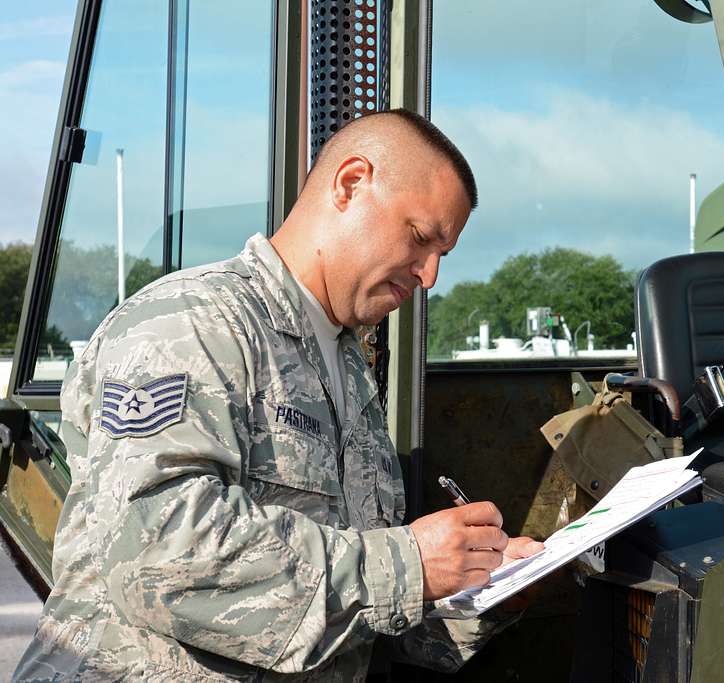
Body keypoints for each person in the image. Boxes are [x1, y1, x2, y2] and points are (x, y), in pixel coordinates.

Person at [14, 109, 543, 681]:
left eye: (444, 253)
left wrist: (482, 589)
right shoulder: (193, 324)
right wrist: (410, 563)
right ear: (350, 183)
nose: (431, 275)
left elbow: (352, 615)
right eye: (420, 238)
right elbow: (159, 554)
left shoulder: (348, 372)